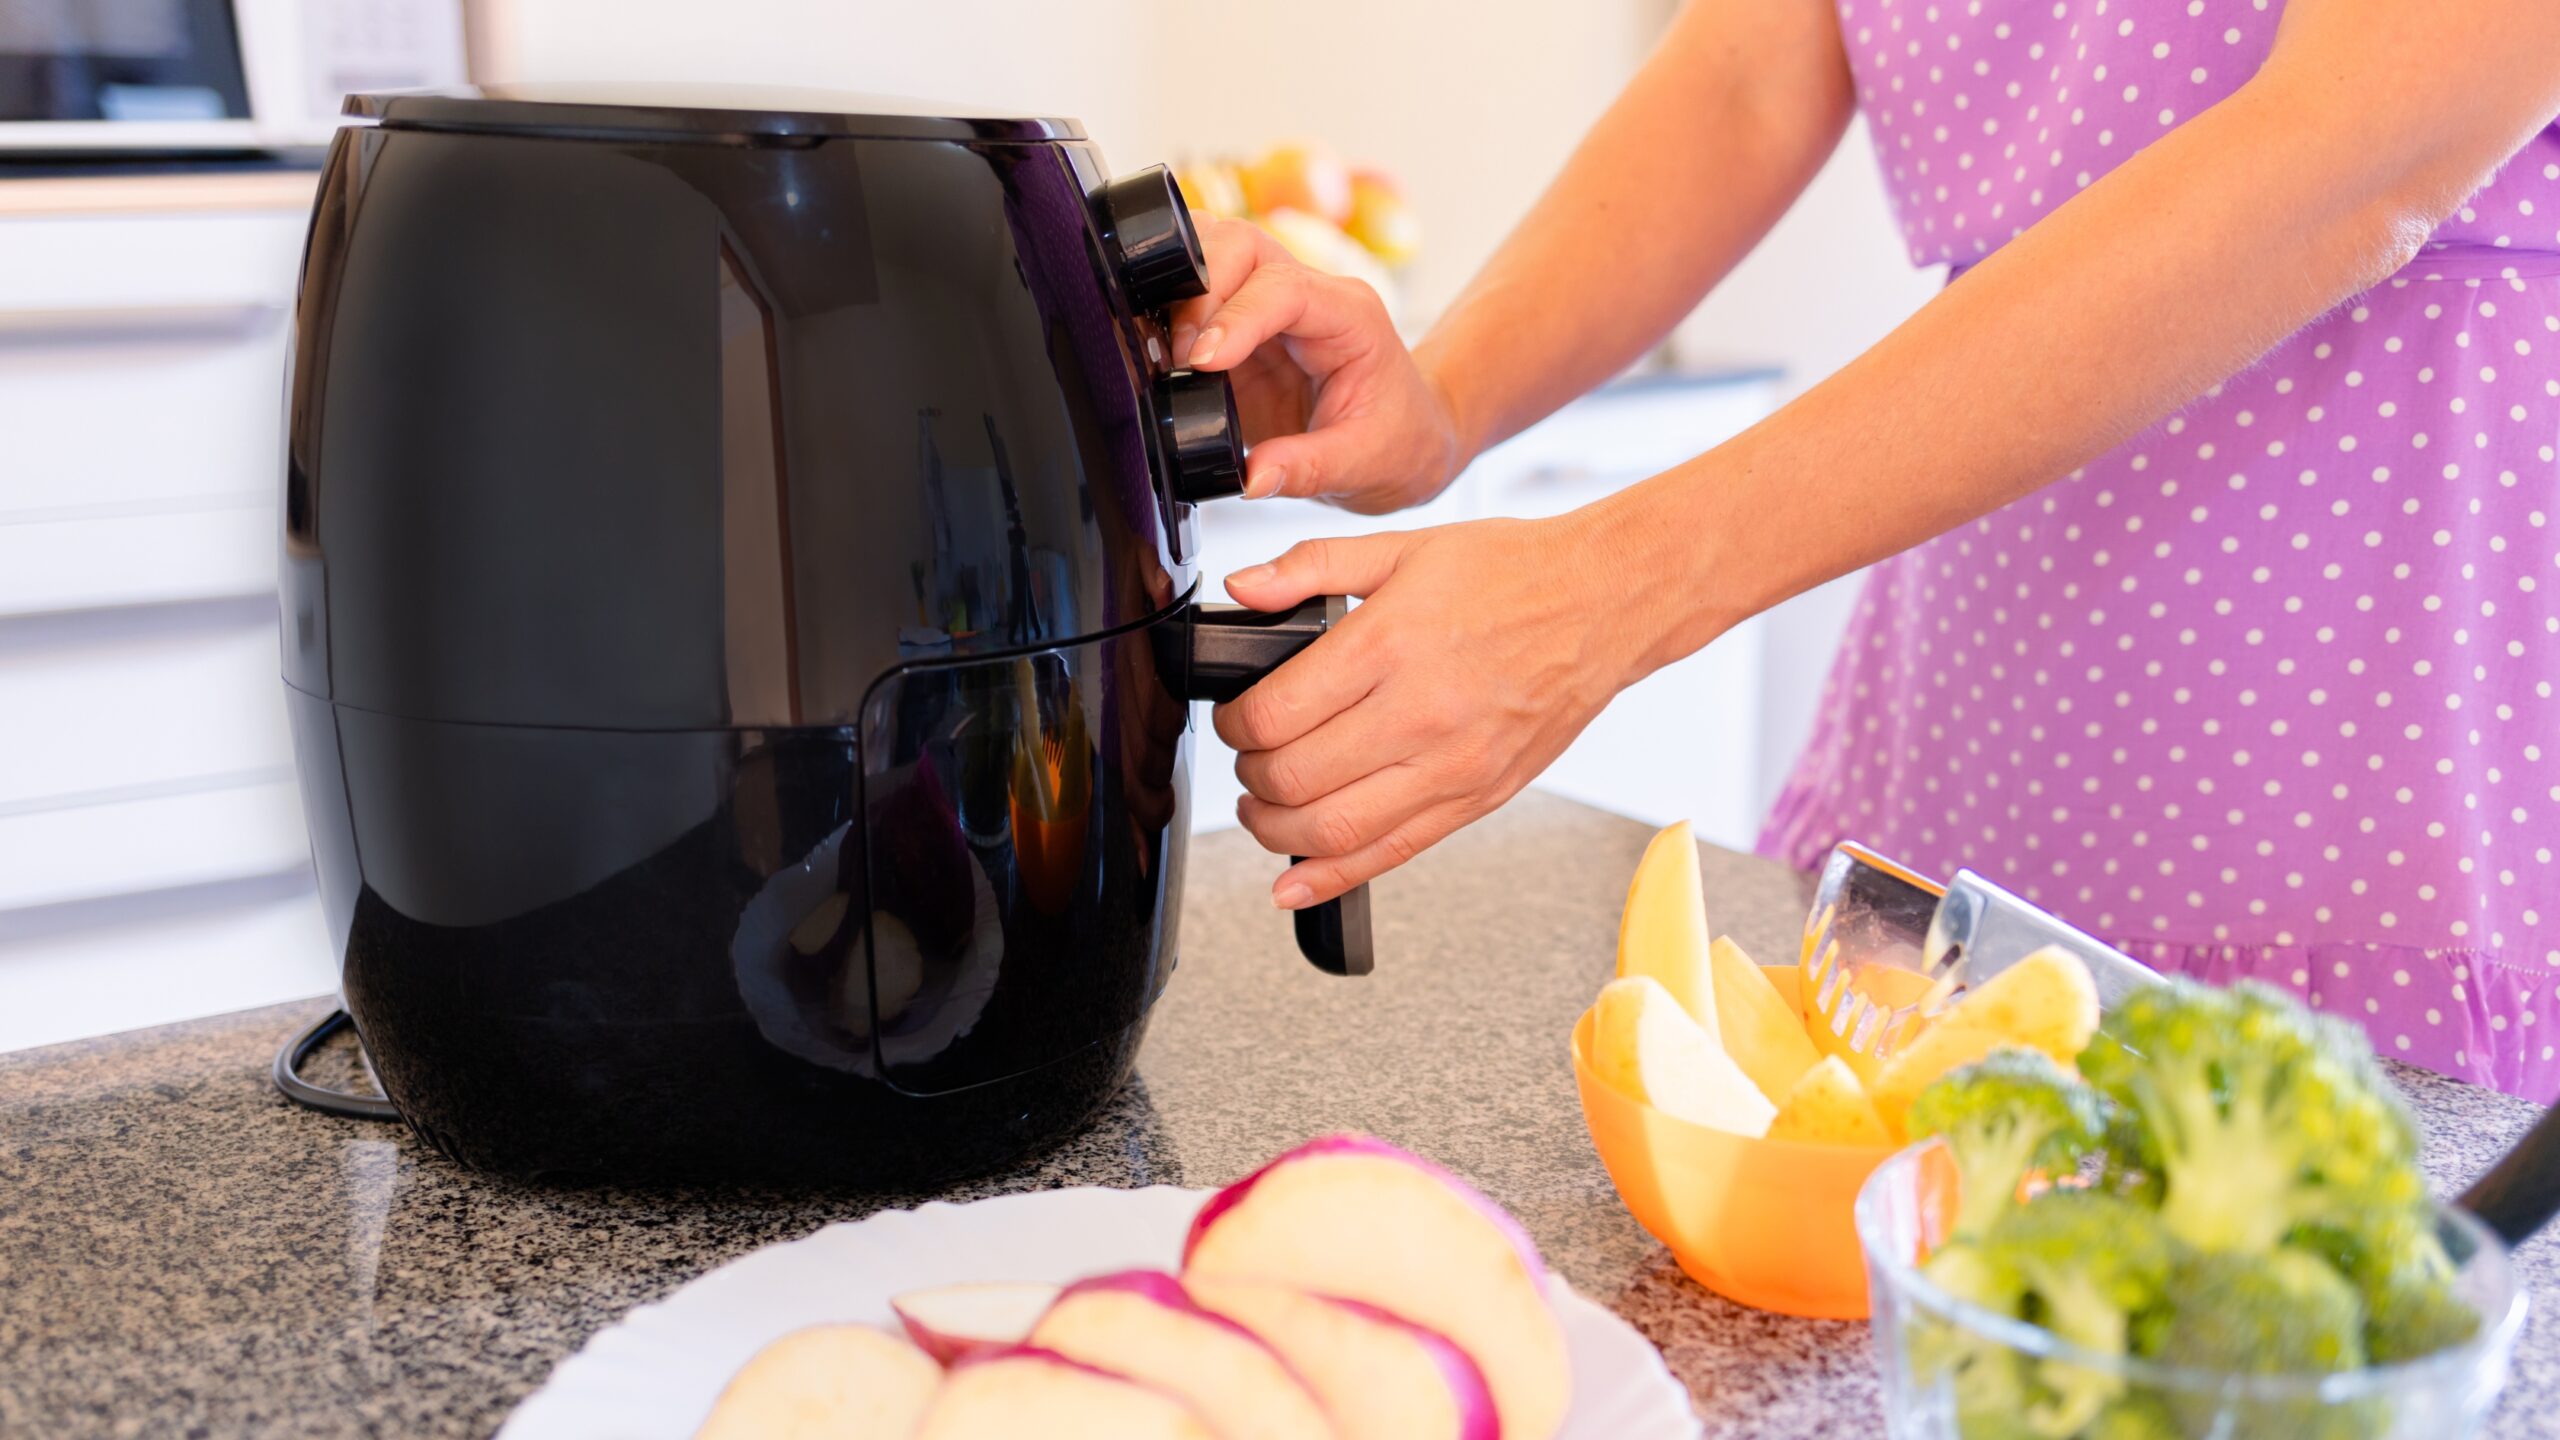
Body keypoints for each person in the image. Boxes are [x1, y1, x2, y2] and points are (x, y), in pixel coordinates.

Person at [1173, 0, 2560, 1097]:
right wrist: (1444, 399)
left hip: (2383, 700)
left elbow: (2359, 145)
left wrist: (1608, 587)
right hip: (1983, 674)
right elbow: (1749, 73)